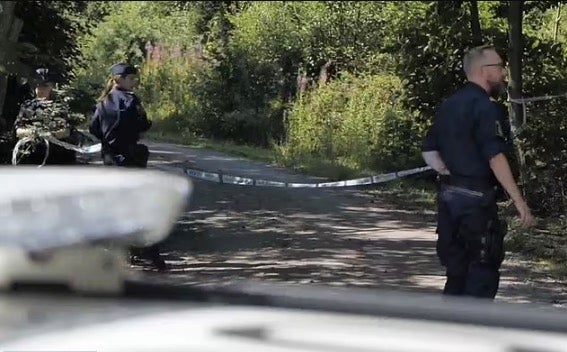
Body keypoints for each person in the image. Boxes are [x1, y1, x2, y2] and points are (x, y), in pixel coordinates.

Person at [421, 45, 535, 299]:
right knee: (481, 276)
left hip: (449, 200)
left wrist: (450, 171)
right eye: (500, 66)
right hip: (476, 203)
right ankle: (474, 333)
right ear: (485, 71)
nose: (504, 72)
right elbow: (495, 157)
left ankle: (449, 332)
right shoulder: (486, 107)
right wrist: (519, 202)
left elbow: (429, 152)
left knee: (456, 274)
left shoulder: (449, 105)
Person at [89, 63, 167, 271]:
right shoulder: (132, 101)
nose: (135, 82)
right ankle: (152, 255)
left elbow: (94, 128)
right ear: (119, 79)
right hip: (131, 160)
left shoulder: (102, 102)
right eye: (131, 78)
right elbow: (143, 124)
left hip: (110, 161)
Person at [13, 68, 81, 165]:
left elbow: (67, 130)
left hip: (57, 157)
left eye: (44, 86)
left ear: (51, 87)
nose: (40, 90)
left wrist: (52, 134)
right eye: (38, 86)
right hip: (32, 157)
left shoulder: (60, 107)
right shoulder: (27, 107)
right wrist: (34, 133)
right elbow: (18, 130)